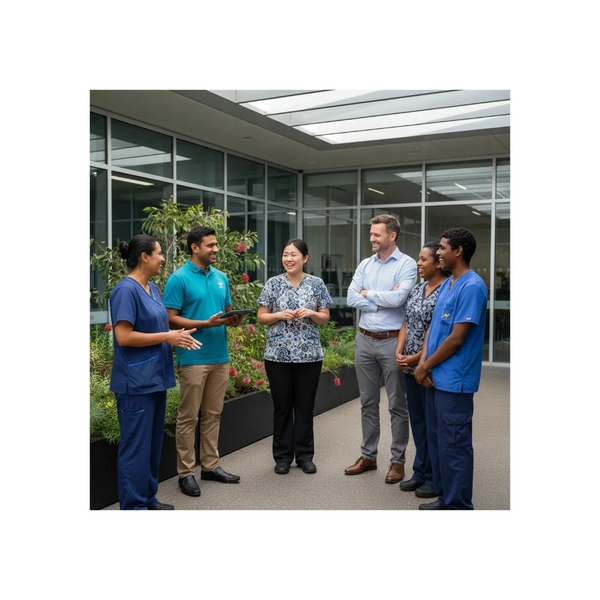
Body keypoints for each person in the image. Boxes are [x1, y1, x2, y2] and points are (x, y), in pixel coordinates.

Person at [109, 234, 201, 513]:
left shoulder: (154, 289)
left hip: (155, 379)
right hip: (134, 383)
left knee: (151, 446)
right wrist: (167, 337)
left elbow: (160, 330)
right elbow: (123, 336)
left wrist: (174, 336)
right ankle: (134, 507)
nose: (164, 258)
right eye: (159, 253)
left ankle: (148, 500)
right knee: (135, 448)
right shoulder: (125, 290)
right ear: (144, 257)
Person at [163, 225, 243, 497]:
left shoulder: (221, 277)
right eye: (210, 245)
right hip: (193, 356)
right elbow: (170, 318)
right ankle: (185, 473)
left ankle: (210, 466)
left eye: (216, 244)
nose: (216, 249)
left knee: (213, 414)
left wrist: (233, 320)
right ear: (195, 247)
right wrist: (204, 324)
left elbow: (227, 314)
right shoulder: (179, 278)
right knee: (188, 417)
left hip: (220, 356)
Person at [414, 227, 488, 513]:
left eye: (443, 248)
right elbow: (435, 326)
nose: (439, 252)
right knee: (439, 444)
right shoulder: (448, 283)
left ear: (458, 251)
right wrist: (423, 363)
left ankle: (459, 507)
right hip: (435, 377)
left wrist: (426, 365)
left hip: (454, 382)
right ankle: (445, 499)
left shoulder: (472, 286)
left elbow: (457, 338)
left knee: (455, 447)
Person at [345, 214, 417, 484]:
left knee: (398, 404)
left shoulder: (407, 264)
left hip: (392, 341)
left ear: (392, 235)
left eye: (377, 234)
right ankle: (368, 456)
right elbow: (352, 296)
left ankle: (397, 461)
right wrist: (379, 299)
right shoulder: (366, 264)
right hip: (364, 339)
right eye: (371, 233)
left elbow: (400, 299)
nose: (372, 238)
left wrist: (368, 294)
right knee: (367, 402)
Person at [257, 239, 332, 475]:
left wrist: (312, 313)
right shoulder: (273, 283)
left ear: (305, 258)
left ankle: (305, 456)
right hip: (277, 356)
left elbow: (325, 317)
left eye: (294, 255)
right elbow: (261, 317)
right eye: (285, 254)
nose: (289, 259)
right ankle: (281, 457)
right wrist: (278, 315)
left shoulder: (316, 284)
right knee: (281, 407)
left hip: (309, 356)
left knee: (304, 407)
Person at [395, 242, 450, 500]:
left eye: (423, 259)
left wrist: (418, 358)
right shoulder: (418, 289)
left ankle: (432, 477)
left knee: (431, 425)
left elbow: (435, 331)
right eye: (418, 259)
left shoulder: (445, 291)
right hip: (409, 366)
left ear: (438, 262)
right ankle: (419, 472)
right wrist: (399, 351)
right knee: (417, 421)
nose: (419, 263)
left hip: (428, 368)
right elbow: (406, 321)